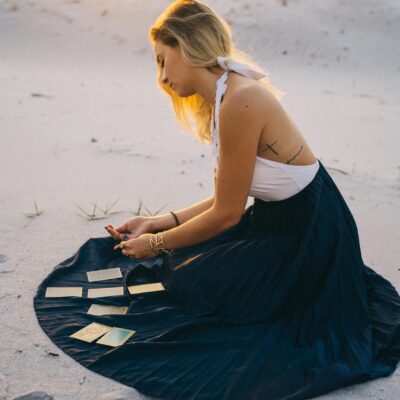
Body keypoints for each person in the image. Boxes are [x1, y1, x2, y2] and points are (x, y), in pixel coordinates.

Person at [33, 1, 400, 399]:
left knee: (204, 290)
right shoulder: (226, 95)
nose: (162, 77)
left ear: (188, 47)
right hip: (273, 222)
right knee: (188, 272)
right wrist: (159, 222)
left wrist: (155, 243)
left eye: (162, 61)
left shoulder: (241, 100)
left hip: (309, 238)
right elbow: (228, 199)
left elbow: (226, 215)